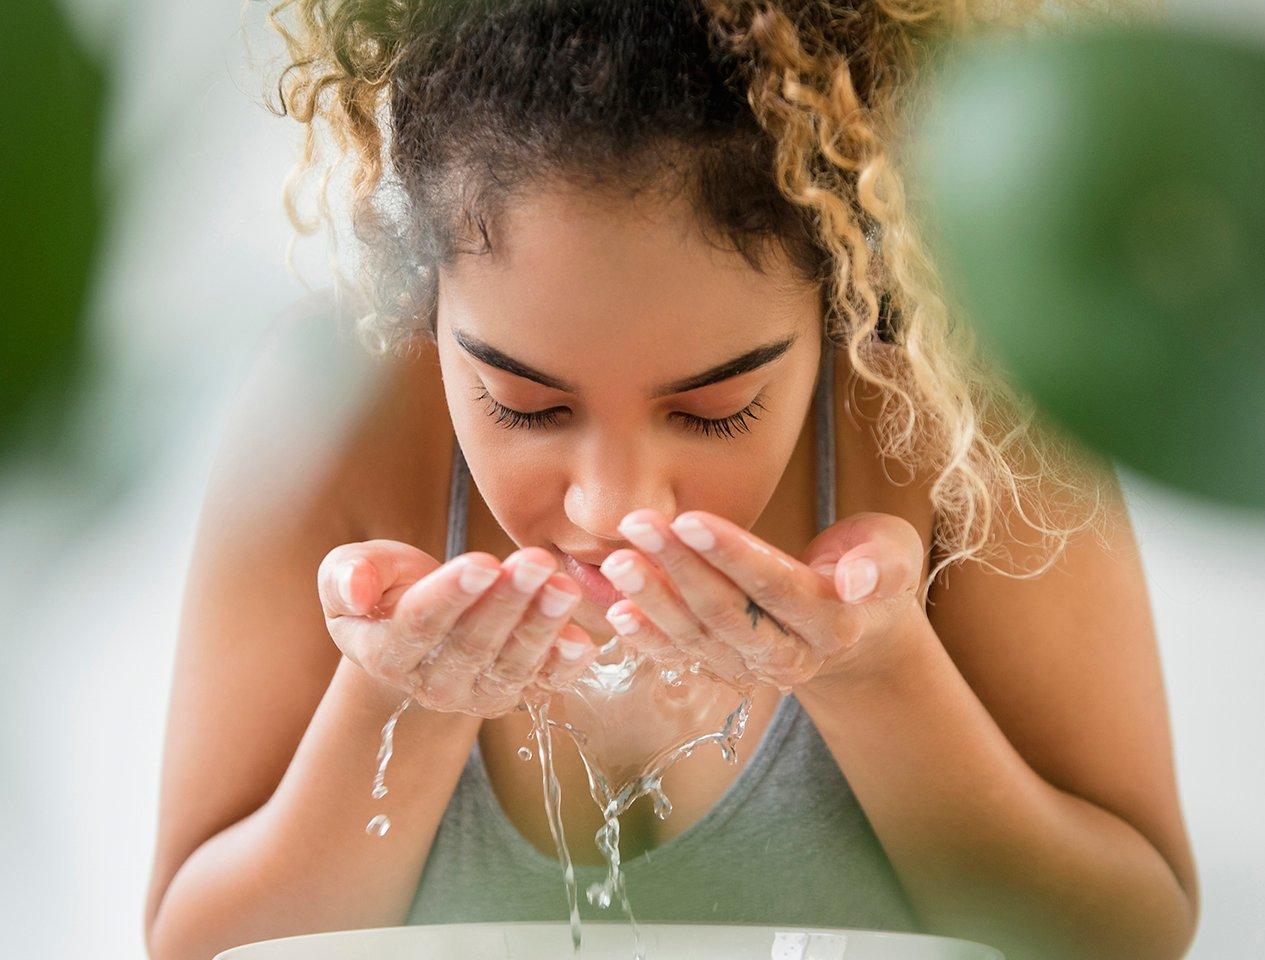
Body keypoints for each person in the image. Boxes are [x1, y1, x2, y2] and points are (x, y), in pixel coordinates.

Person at [143, 2, 1199, 959]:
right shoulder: (333, 423)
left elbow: (1128, 934)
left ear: (835, 292)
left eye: (710, 410)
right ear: (431, 304)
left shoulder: (956, 412)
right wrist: (402, 703)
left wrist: (872, 678)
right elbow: (197, 944)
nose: (616, 508)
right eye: (523, 405)